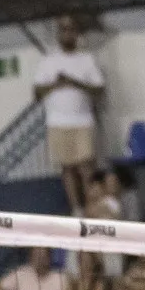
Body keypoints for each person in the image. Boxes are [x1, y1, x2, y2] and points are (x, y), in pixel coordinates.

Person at [34, 15, 107, 214]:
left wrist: (74, 82)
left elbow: (99, 90)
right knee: (67, 168)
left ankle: (93, 207)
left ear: (77, 33)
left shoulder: (87, 59)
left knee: (86, 167)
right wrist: (56, 84)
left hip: (82, 121)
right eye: (63, 30)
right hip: (58, 122)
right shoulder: (49, 60)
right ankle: (77, 209)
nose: (67, 34)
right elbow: (37, 93)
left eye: (71, 29)